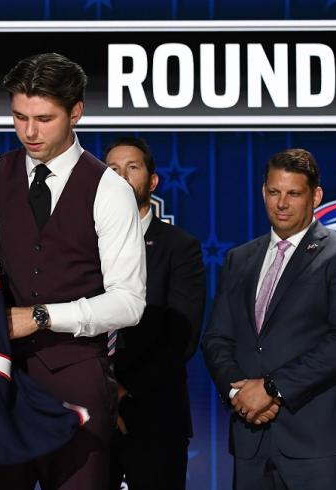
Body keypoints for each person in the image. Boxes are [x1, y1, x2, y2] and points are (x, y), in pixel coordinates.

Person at [0, 52, 146, 489]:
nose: (29, 131)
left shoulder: (109, 189)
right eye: (19, 116)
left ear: (76, 113)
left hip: (77, 379)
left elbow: (129, 302)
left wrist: (43, 316)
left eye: (43, 118)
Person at [201, 149, 336, 490]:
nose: (281, 203)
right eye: (274, 192)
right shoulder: (240, 259)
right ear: (264, 191)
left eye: (293, 193)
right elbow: (216, 338)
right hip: (252, 435)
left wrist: (271, 389)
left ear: (316, 196)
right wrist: (239, 392)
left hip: (319, 442)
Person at [103, 137, 205, 489]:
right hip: (89, 416)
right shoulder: (82, 247)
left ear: (152, 181)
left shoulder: (181, 247)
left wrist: (121, 389)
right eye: (113, 170)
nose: (122, 177)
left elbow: (183, 337)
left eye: (132, 168)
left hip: (155, 416)